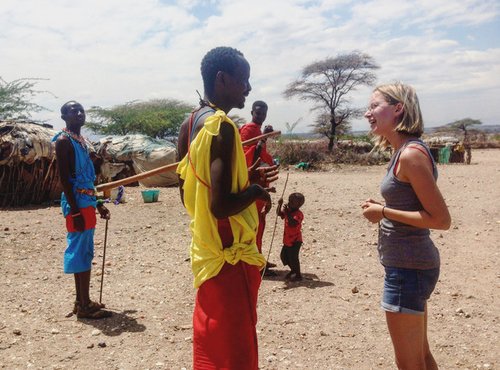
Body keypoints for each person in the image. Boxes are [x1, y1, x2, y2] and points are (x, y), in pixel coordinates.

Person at [176, 46, 273, 369]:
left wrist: (244, 182)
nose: (248, 88)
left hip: (205, 247)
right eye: (243, 80)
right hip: (228, 251)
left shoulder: (189, 124)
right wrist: (255, 190)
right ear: (222, 79)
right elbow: (220, 206)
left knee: (212, 337)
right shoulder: (222, 127)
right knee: (234, 348)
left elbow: (188, 195)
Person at [361, 83, 451, 369]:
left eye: (374, 106)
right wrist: (385, 209)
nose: (367, 113)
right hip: (409, 266)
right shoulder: (404, 151)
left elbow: (440, 220)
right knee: (421, 358)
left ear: (398, 108)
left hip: (408, 270)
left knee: (410, 364)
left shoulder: (410, 154)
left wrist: (384, 211)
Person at [53, 101, 112, 319]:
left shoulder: (82, 142)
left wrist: (98, 203)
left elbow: (87, 180)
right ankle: (84, 305)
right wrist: (76, 211)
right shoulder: (63, 142)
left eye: (81, 110)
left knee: (84, 251)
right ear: (64, 117)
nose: (78, 113)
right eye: (72, 111)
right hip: (76, 204)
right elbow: (65, 180)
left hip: (86, 202)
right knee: (80, 252)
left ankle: (81, 301)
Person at [240, 101, 277, 274]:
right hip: (252, 180)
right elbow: (250, 156)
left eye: (263, 113)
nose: (261, 116)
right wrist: (263, 138)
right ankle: (255, 263)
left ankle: (259, 258)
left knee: (260, 222)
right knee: (254, 223)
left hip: (260, 180)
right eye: (258, 113)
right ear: (252, 112)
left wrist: (264, 136)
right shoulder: (249, 129)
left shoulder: (257, 130)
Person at [277, 192, 305, 281]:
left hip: (295, 240)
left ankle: (298, 275)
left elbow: (293, 224)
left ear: (299, 205)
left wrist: (287, 213)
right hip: (287, 239)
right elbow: (279, 214)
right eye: (289, 201)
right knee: (284, 256)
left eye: (292, 202)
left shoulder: (298, 214)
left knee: (293, 258)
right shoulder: (288, 211)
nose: (289, 203)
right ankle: (293, 270)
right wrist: (279, 205)